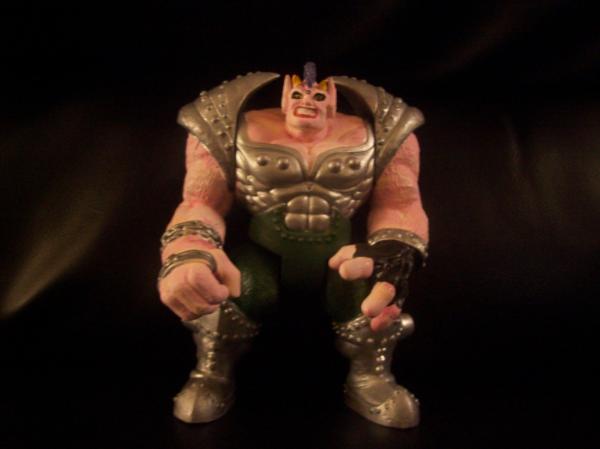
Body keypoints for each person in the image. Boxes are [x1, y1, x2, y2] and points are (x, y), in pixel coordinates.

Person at [157, 63, 428, 428]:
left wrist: (395, 251)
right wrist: (188, 253)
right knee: (232, 291)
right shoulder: (224, 122)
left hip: (341, 257)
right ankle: (212, 371)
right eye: (298, 94)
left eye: (318, 96)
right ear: (286, 96)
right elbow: (200, 202)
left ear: (332, 100)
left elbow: (400, 203)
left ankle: (370, 377)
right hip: (264, 252)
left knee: (374, 296)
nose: (307, 102)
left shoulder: (385, 128)